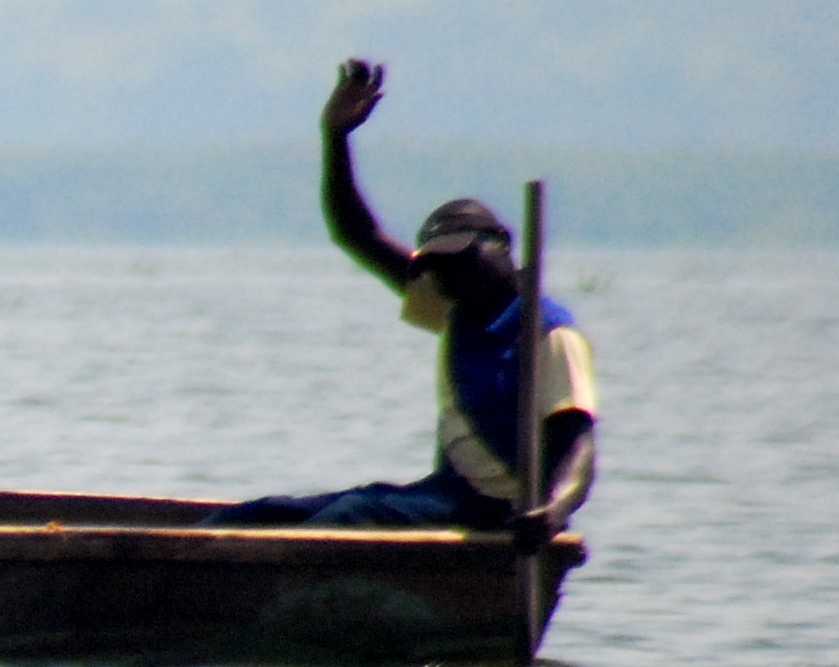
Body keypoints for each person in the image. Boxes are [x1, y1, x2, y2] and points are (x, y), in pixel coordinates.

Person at [212, 59, 599, 546]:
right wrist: (336, 138)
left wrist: (552, 513)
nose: (447, 274)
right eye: (437, 264)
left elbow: (579, 447)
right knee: (263, 515)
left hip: (502, 514)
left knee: (351, 517)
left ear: (499, 251)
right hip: (446, 493)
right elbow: (357, 233)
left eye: (461, 260)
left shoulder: (548, 331)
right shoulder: (452, 300)